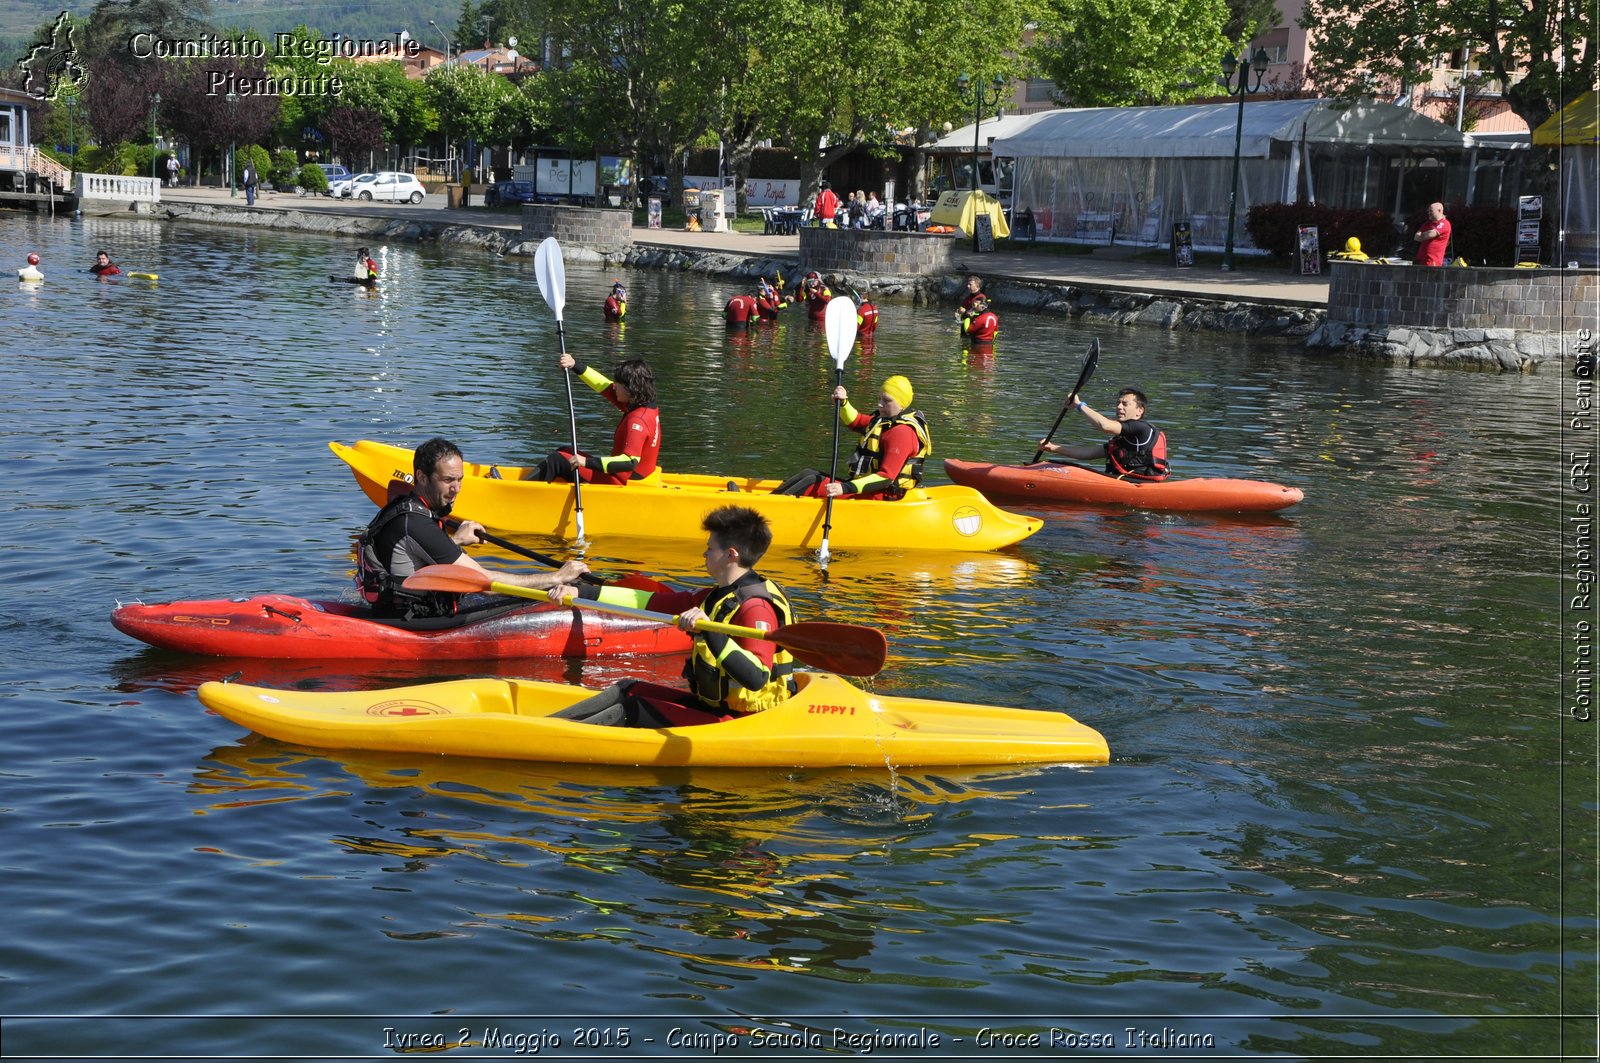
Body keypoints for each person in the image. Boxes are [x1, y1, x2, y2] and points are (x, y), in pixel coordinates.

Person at [549, 506, 797, 727]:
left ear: (731, 554)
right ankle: (551, 726)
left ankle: (553, 738)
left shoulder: (756, 608)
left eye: (710, 548)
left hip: (743, 721)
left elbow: (756, 678)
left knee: (632, 710)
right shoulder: (717, 595)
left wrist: (710, 631)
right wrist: (580, 592)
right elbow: (648, 601)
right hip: (716, 708)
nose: (705, 554)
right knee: (628, 689)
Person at [357, 436, 589, 620]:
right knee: (551, 594)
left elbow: (412, 555)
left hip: (395, 611)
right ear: (422, 477)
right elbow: (485, 583)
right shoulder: (417, 524)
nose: (456, 489)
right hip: (418, 621)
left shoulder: (402, 508)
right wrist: (557, 577)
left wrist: (454, 542)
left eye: (460, 480)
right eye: (448, 480)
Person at [772, 375, 932, 500]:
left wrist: (844, 488)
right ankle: (770, 501)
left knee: (813, 482)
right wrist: (843, 403)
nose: (880, 404)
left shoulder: (902, 433)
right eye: (880, 398)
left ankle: (770, 512)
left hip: (882, 495)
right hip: (868, 489)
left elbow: (885, 478)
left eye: (887, 401)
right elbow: (855, 421)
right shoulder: (884, 422)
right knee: (808, 474)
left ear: (902, 405)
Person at [528, 354, 660, 486]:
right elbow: (602, 385)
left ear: (629, 389)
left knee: (556, 460)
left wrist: (586, 462)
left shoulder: (637, 420)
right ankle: (543, 490)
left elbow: (629, 462)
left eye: (617, 384)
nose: (613, 386)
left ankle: (519, 493)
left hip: (622, 480)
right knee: (565, 451)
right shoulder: (643, 404)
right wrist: (575, 365)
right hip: (630, 475)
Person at [1038, 388, 1169, 481]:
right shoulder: (1123, 439)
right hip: (1123, 482)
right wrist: (1054, 448)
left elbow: (1104, 426)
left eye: (1125, 404)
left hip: (1139, 484)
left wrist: (1079, 405)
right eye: (1118, 403)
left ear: (1139, 411)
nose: (1119, 407)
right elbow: (1088, 453)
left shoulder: (1141, 428)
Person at [1413, 202, 1451, 267]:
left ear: (1439, 211)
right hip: (1420, 261)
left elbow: (1430, 234)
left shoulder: (1444, 223)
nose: (1429, 213)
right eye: (1428, 211)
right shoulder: (1427, 223)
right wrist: (1426, 235)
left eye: (1431, 211)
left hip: (1433, 262)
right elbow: (1416, 237)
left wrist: (1424, 235)